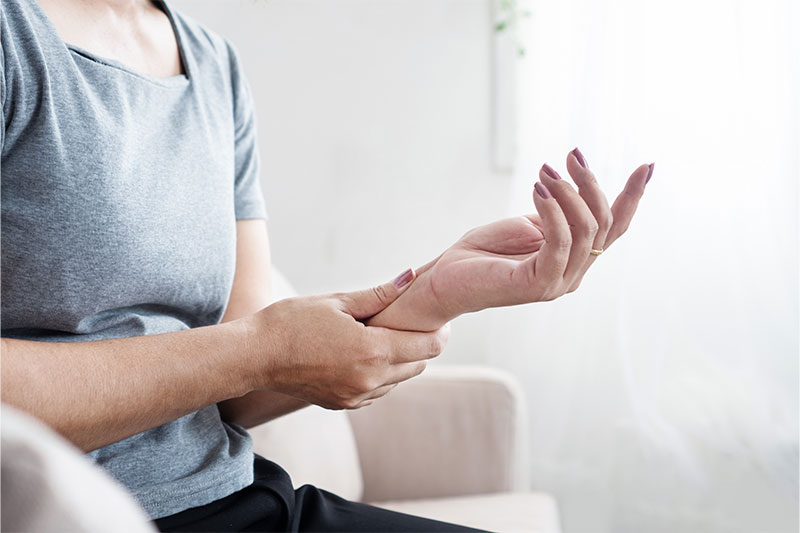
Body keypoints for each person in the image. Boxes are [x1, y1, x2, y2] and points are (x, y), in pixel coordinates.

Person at [0, 0, 654, 530]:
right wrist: (259, 348)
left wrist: (433, 291)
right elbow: (249, 351)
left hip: (240, 501)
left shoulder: (211, 64)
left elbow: (239, 387)